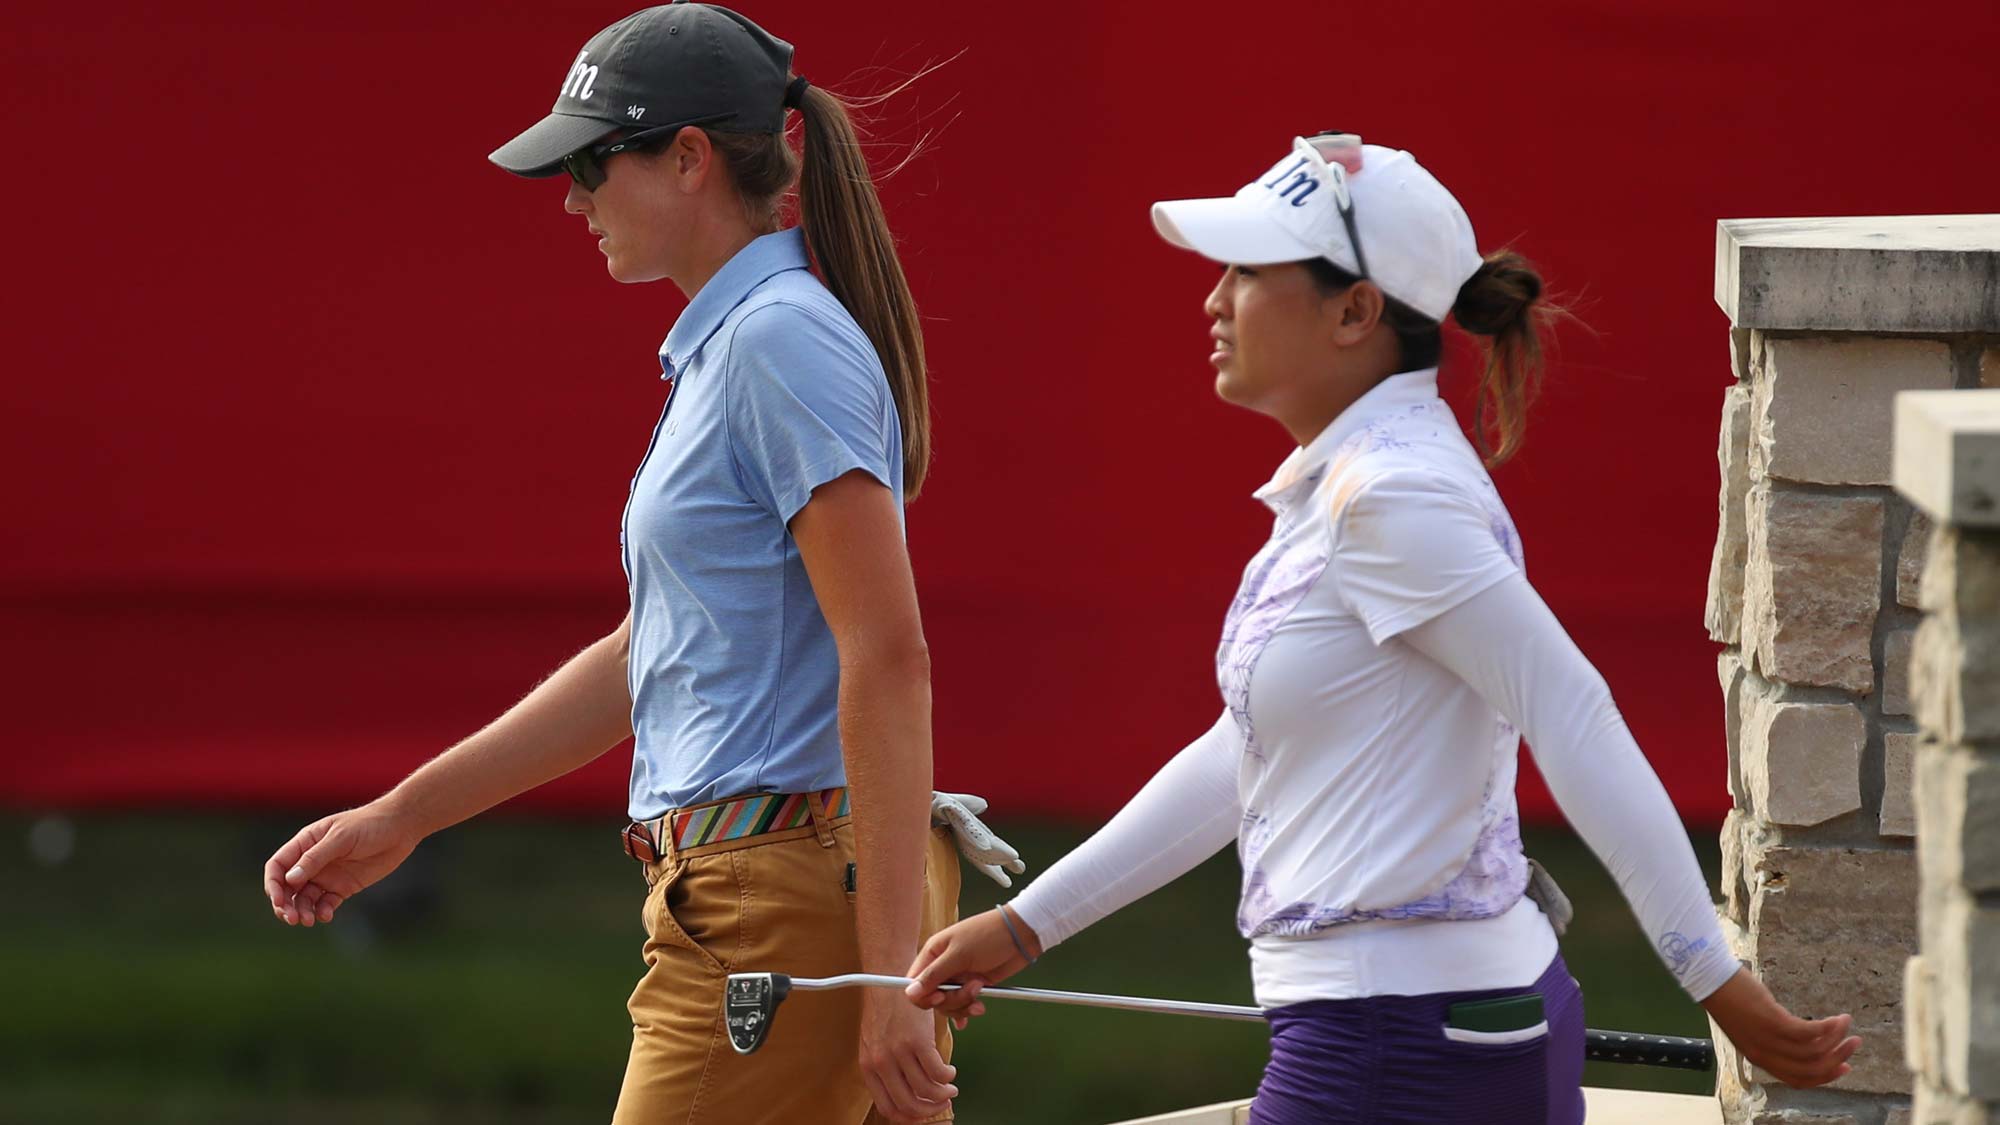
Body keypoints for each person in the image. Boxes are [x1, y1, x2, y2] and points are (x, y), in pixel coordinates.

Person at [903, 132, 1861, 1124]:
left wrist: (1714, 982)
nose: (1212, 300)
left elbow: (1569, 711)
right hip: (1405, 1037)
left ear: (1355, 310)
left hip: (1399, 1050)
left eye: (1247, 271)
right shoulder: (1364, 483)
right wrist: (1026, 926)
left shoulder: (1390, 496)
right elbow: (1249, 750)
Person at [260, 6, 1020, 1122]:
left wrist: (880, 975)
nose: (571, 199)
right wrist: (406, 814)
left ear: (688, 158)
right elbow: (649, 656)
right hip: (778, 888)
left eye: (587, 163)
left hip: (783, 898)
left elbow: (890, 662)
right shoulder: (742, 342)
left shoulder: (775, 341)